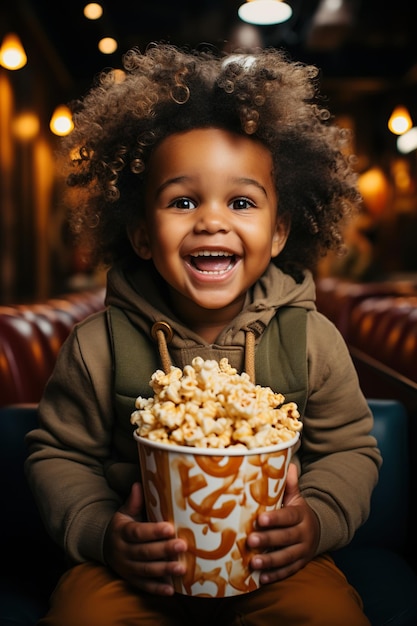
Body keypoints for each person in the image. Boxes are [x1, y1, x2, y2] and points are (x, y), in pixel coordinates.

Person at [25, 43, 382, 626]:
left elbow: (349, 450)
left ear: (279, 232)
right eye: (183, 200)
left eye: (242, 201)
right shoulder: (98, 347)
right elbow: (58, 455)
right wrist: (99, 532)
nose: (212, 220)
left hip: (272, 563)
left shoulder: (313, 340)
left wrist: (315, 519)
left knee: (328, 612)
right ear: (142, 235)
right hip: (137, 566)